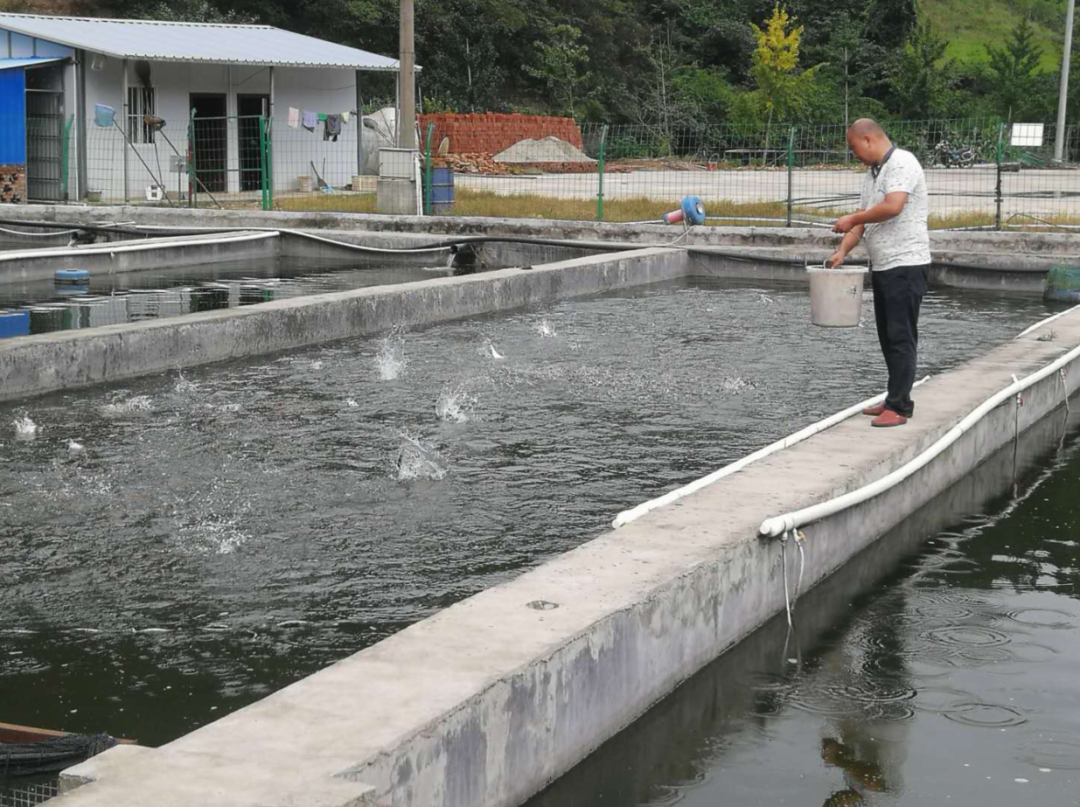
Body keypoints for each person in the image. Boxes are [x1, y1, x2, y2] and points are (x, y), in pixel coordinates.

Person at [829, 119, 931, 428]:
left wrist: (853, 217)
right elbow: (862, 224)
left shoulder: (902, 163)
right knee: (888, 336)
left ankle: (900, 407)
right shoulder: (873, 174)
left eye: (854, 147)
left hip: (906, 264)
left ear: (869, 139)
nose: (854, 154)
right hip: (885, 266)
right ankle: (893, 397)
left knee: (901, 336)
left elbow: (893, 206)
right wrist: (842, 251)